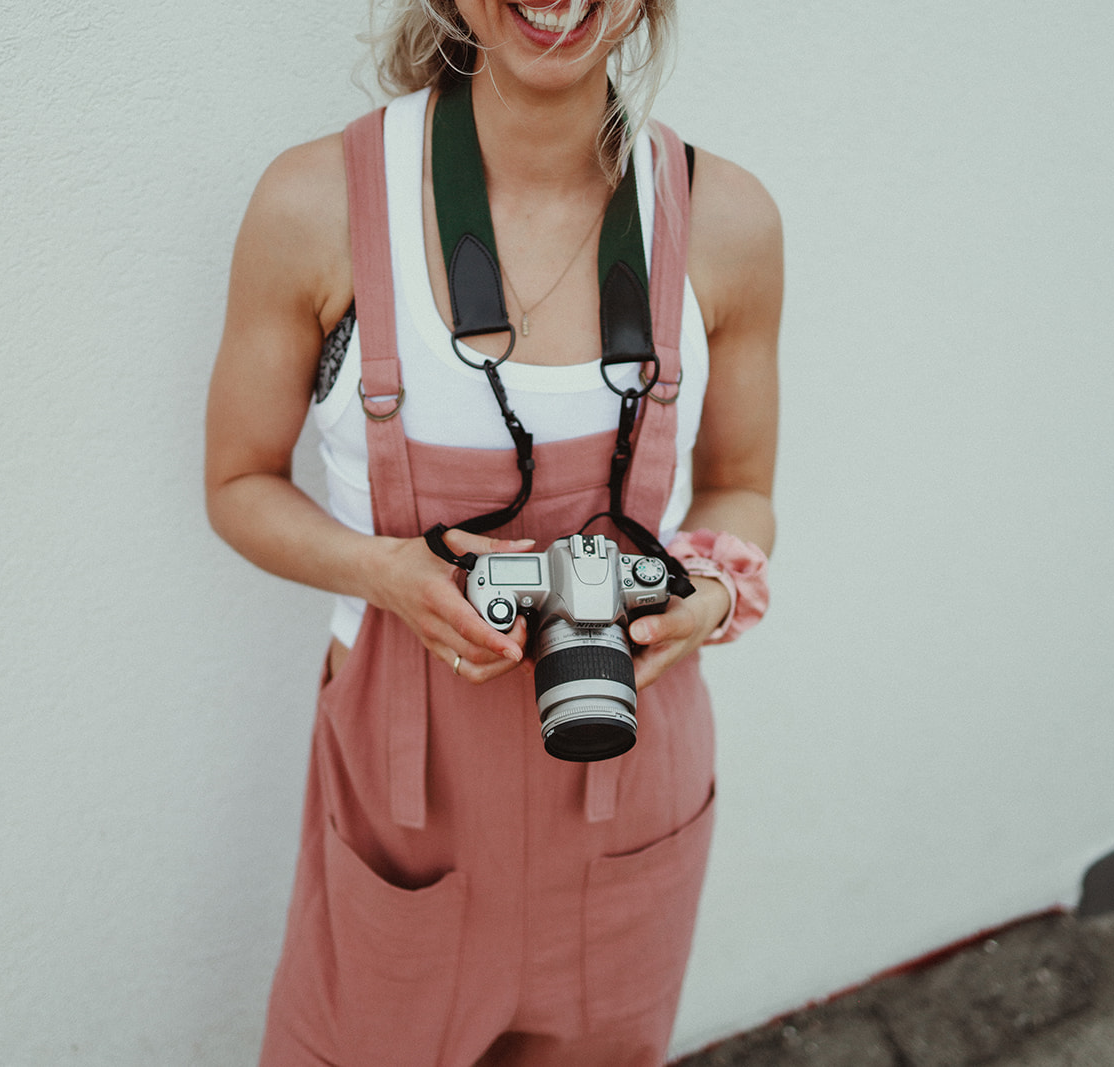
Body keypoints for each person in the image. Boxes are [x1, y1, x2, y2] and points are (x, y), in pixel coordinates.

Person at [205, 1, 781, 1063]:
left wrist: (700, 593)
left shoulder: (726, 218)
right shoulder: (317, 202)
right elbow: (237, 482)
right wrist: (386, 572)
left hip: (630, 768)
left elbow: (742, 489)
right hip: (403, 794)